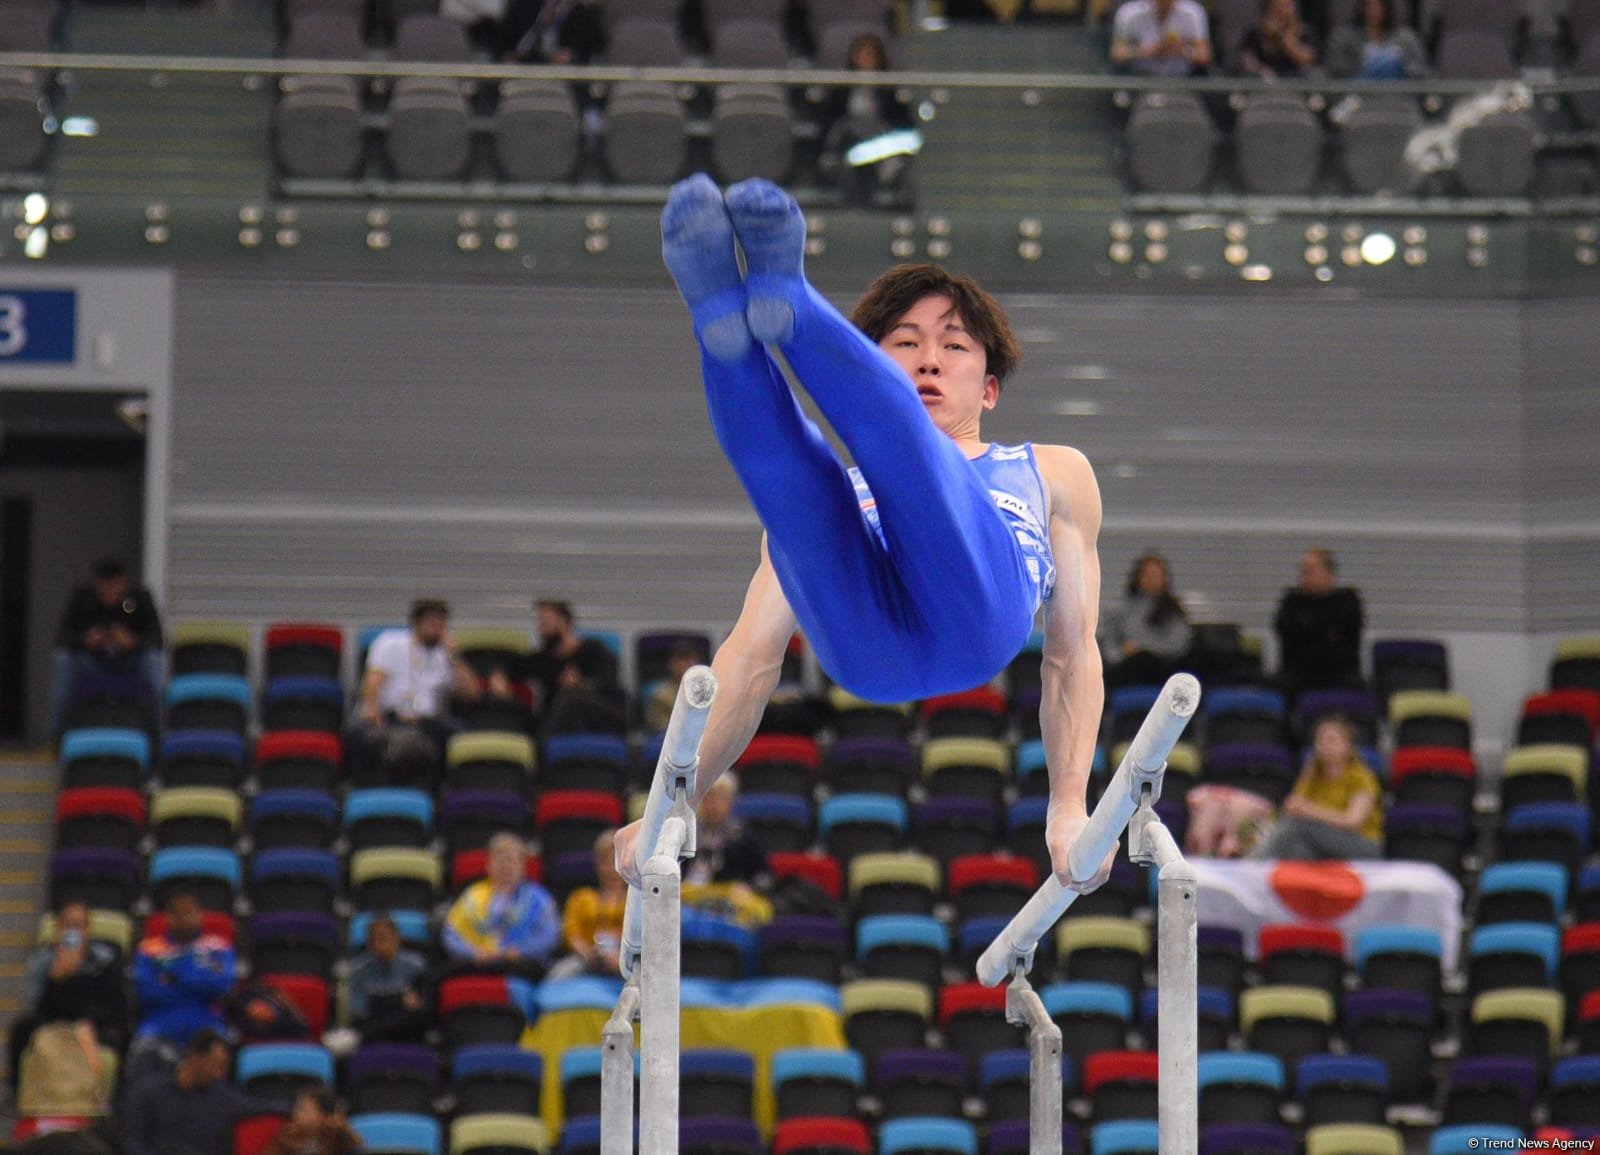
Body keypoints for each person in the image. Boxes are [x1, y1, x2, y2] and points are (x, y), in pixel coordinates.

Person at [615, 175, 1113, 900]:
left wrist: (1070, 804)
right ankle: (725, 326)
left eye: (954, 346)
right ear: (875, 365)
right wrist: (673, 799)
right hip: (865, 649)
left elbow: (1071, 654)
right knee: (794, 488)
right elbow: (751, 662)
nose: (930, 360)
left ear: (991, 387)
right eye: (904, 344)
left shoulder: (1053, 471)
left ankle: (791, 311)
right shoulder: (842, 495)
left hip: (977, 615)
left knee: (918, 465)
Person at [7, 902, 128, 1099]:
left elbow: (115, 1003)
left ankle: (112, 1101)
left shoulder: (105, 960)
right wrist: (56, 979)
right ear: (57, 930)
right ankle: (18, 1096)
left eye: (78, 925)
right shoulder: (42, 962)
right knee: (21, 1029)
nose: (73, 931)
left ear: (88, 930)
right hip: (56, 1022)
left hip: (96, 1022)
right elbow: (35, 1007)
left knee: (122, 1034)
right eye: (67, 926)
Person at [50, 557, 164, 736]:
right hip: (93, 662)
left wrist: (133, 642)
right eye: (105, 587)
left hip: (130, 662)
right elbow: (61, 637)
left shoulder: (140, 597)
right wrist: (85, 640)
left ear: (124, 584)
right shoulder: (82, 597)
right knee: (64, 660)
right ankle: (57, 733)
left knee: (154, 660)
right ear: (97, 585)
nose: (110, 593)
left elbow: (158, 640)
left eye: (115, 587)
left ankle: (156, 732)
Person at [357, 599, 481, 763]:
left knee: (459, 735)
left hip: (426, 721)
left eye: (441, 624)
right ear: (417, 622)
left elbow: (472, 693)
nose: (436, 629)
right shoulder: (391, 643)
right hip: (391, 717)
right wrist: (371, 707)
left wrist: (455, 656)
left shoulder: (444, 655)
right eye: (432, 623)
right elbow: (373, 680)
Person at [1253, 716, 1383, 860]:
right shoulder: (1312, 774)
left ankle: (1255, 864)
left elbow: (1353, 821)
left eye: (1332, 740)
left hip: (1362, 843)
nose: (1326, 746)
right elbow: (1294, 808)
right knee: (1298, 850)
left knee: (1296, 826)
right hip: (1324, 842)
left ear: (1349, 747)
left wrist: (1310, 811)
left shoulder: (1362, 777)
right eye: (1321, 740)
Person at [494, 600, 625, 737]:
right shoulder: (542, 658)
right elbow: (514, 668)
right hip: (559, 720)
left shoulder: (593, 650)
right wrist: (499, 676)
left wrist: (580, 684)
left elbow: (608, 683)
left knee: (569, 696)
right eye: (540, 624)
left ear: (564, 622)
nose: (541, 629)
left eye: (546, 623)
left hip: (599, 714)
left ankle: (544, 745)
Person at [120, 1029, 260, 1155]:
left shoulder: (223, 1097)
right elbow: (133, 1141)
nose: (219, 1074)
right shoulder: (148, 1092)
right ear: (194, 1056)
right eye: (215, 1065)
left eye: (223, 1068)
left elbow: (259, 1106)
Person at [442, 833, 561, 977]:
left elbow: (550, 936)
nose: (506, 865)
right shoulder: (472, 896)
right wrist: (473, 953)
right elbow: (451, 935)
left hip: (520, 964)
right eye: (500, 860)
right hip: (478, 962)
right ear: (488, 865)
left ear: (522, 867)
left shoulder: (539, 898)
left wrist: (520, 951)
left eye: (511, 860)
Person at [819, 32, 916, 208]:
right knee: (855, 139)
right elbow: (829, 123)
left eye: (870, 55)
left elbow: (903, 125)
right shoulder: (841, 91)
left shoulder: (889, 92)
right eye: (861, 55)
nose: (865, 60)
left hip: (880, 143)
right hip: (847, 142)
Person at [131, 891, 236, 1052]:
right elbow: (147, 991)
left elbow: (222, 986)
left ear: (200, 915)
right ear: (167, 917)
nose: (183, 919)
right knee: (142, 1049)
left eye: (189, 913)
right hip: (160, 1022)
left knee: (218, 1050)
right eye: (177, 914)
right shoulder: (149, 949)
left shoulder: (218, 947)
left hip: (206, 1022)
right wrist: (199, 981)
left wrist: (174, 979)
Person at [1273, 548, 1365, 705]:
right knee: (1277, 688)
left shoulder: (1347, 602)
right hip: (1299, 672)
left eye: (1310, 571)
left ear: (1328, 573)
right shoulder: (1292, 601)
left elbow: (1348, 639)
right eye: (1303, 572)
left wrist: (1311, 627)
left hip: (1338, 673)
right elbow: (1287, 634)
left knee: (1359, 688)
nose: (1304, 577)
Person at [1098, 552, 1192, 690]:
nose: (1151, 579)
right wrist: (1122, 652)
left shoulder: (1173, 610)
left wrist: (1143, 648)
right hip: (1128, 667)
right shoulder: (1122, 609)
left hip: (1162, 668)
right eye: (1147, 574)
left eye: (1156, 574)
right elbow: (1108, 645)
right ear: (1137, 577)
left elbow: (1179, 645)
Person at [344, 914, 430, 1047]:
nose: (378, 945)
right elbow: (359, 1012)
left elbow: (418, 1008)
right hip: (371, 1032)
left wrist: (382, 1003)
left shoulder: (416, 967)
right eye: (373, 940)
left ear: (397, 939)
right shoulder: (358, 971)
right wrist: (398, 1001)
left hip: (406, 1033)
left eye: (383, 938)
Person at [552, 829, 628, 979]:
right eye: (607, 862)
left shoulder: (639, 899)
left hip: (628, 960)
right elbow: (570, 932)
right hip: (587, 958)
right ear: (598, 865)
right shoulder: (581, 897)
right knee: (558, 975)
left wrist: (620, 956)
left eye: (618, 861)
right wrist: (588, 953)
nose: (613, 869)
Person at [1325, 0, 1428, 79]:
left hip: (1400, 98)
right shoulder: (1344, 37)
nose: (1374, 11)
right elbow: (1336, 70)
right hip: (1357, 97)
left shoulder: (1406, 38)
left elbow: (1420, 69)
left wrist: (1398, 67)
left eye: (1378, 6)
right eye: (1369, 6)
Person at [1111, 0, 1214, 76]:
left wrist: (1182, 51)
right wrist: (1142, 52)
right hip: (1140, 78)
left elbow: (1204, 55)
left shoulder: (1193, 12)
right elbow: (1117, 54)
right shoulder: (1129, 13)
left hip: (1182, 79)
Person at [266, 1086, 362, 1155]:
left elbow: (357, 1148)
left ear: (324, 1116)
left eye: (302, 1109)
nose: (296, 1113)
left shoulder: (338, 1138)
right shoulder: (287, 1137)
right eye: (297, 1108)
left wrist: (342, 1128)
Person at [1236, 0, 1318, 77]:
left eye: (1287, 5)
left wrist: (1281, 36)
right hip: (1263, 82)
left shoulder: (1302, 32)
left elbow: (1307, 59)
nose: (1285, 9)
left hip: (1295, 81)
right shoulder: (1254, 35)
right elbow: (1245, 59)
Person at [644, 640, 702, 733]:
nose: (685, 665)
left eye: (690, 660)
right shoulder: (659, 695)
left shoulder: (708, 693)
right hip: (670, 739)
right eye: (681, 660)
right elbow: (658, 726)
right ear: (671, 664)